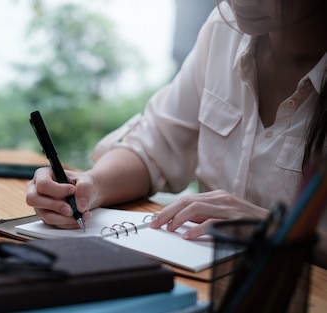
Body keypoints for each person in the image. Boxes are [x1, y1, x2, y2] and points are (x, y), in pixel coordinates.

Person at [26, 0, 327, 269]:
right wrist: (91, 186)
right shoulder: (225, 29)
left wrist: (275, 228)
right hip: (208, 282)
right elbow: (156, 145)